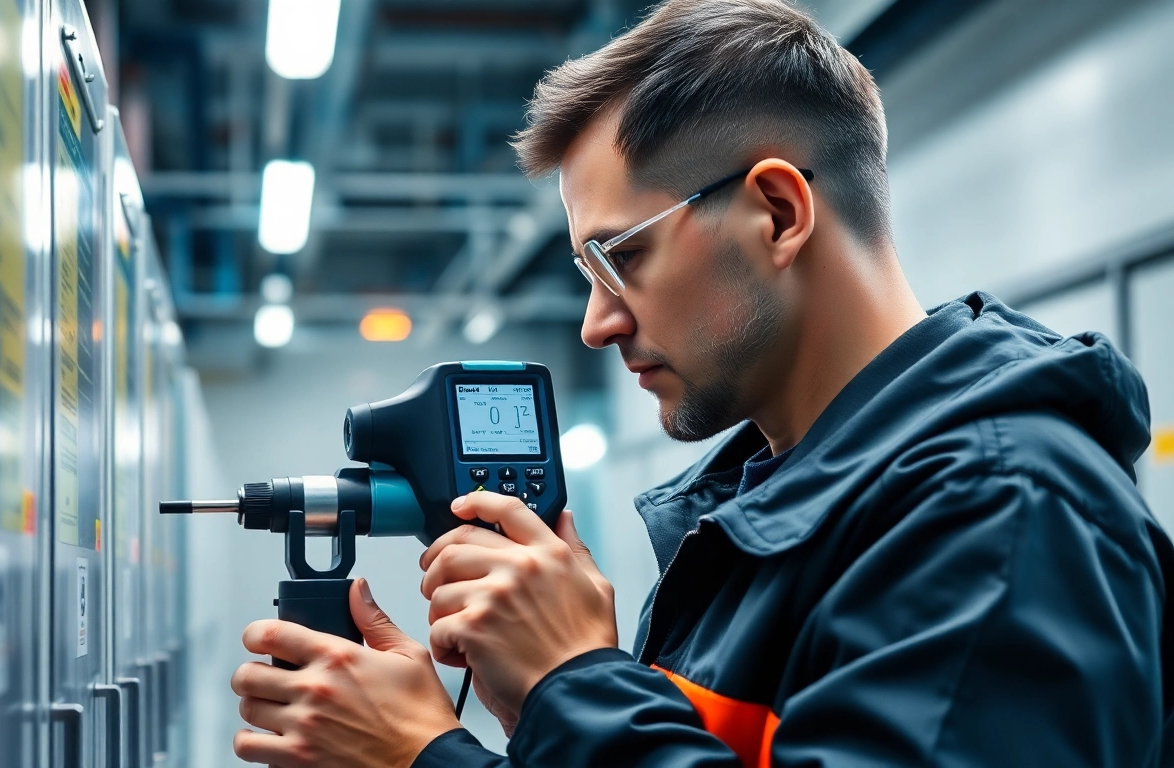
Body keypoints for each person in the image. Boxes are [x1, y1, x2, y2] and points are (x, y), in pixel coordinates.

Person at [227, 0, 1174, 765]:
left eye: (618, 259)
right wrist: (528, 703)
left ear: (775, 211)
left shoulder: (998, 515)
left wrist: (494, 723)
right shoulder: (765, 503)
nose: (598, 322)